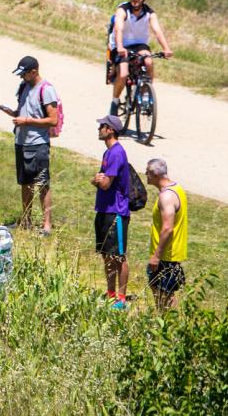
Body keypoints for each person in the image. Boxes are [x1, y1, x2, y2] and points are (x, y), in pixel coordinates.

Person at [0, 55, 57, 235]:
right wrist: (13, 113)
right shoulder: (24, 86)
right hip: (21, 141)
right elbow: (24, 111)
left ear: (34, 72)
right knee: (25, 183)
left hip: (38, 143)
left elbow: (53, 120)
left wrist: (27, 121)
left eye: (24, 74)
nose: (21, 77)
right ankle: (26, 220)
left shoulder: (46, 90)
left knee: (42, 183)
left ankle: (46, 225)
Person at [109, 0, 173, 115]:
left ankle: (145, 95)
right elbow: (118, 29)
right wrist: (120, 46)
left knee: (149, 62)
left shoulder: (149, 13)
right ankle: (115, 102)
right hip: (121, 44)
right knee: (124, 74)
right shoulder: (123, 9)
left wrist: (166, 48)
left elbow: (157, 31)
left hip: (139, 44)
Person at [92, 115, 131, 310]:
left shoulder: (117, 153)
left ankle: (122, 298)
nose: (99, 128)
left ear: (111, 130)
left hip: (116, 211)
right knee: (106, 255)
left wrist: (98, 180)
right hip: (104, 209)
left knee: (118, 256)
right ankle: (110, 293)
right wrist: (97, 180)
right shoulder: (107, 153)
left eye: (102, 126)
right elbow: (100, 180)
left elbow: (106, 183)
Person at [145, 158, 188, 312]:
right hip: (169, 253)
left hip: (166, 255)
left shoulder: (167, 197)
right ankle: (163, 320)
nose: (145, 175)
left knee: (165, 294)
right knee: (158, 289)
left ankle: (170, 324)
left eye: (148, 172)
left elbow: (168, 228)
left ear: (156, 174)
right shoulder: (176, 189)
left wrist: (157, 255)